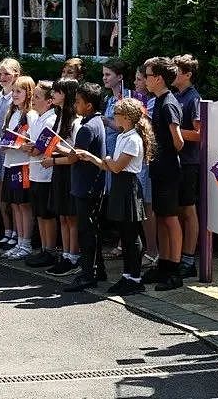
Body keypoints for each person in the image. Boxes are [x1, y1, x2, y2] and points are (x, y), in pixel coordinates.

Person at [75, 97, 155, 296]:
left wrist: (109, 160)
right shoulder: (122, 136)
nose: (114, 118)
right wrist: (93, 158)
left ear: (126, 117)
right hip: (119, 187)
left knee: (131, 235)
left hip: (128, 187)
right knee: (124, 234)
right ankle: (127, 275)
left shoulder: (134, 139)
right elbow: (108, 165)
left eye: (117, 114)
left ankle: (135, 278)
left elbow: (117, 167)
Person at [142, 56, 184, 291]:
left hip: (168, 169)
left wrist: (162, 150)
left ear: (158, 78)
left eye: (148, 75)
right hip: (158, 167)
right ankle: (165, 263)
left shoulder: (168, 103)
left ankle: (174, 269)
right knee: (160, 216)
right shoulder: (157, 101)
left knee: (170, 218)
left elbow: (178, 141)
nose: (145, 80)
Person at [62, 81, 107, 292]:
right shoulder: (98, 122)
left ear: (88, 105)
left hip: (85, 185)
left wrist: (57, 149)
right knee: (93, 228)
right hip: (94, 185)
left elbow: (75, 157)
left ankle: (89, 273)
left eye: (78, 102)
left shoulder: (87, 127)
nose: (75, 105)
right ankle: (99, 269)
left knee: (86, 230)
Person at [44, 78, 82, 276]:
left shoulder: (76, 120)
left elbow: (74, 154)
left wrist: (54, 151)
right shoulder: (59, 117)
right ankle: (66, 254)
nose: (53, 95)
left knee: (71, 216)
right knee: (63, 216)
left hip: (68, 170)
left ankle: (73, 257)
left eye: (58, 92)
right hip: (59, 169)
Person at [23, 81, 58, 268]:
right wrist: (27, 146)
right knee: (39, 213)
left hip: (46, 173)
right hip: (34, 171)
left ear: (49, 101)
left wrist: (32, 148)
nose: (33, 100)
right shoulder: (37, 117)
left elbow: (43, 147)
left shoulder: (51, 120)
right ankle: (44, 248)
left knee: (46, 214)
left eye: (37, 97)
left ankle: (50, 250)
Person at [173, 54, 202, 278]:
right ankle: (179, 255)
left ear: (187, 74)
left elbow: (200, 134)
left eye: (176, 70)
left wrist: (172, 131)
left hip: (189, 162)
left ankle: (189, 258)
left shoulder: (193, 99)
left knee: (189, 210)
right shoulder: (176, 96)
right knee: (179, 210)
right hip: (177, 161)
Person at [1, 76, 37, 259]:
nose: (14, 95)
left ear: (28, 93)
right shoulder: (12, 113)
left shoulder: (30, 115)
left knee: (24, 205)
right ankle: (19, 242)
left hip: (23, 164)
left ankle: (26, 243)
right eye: (13, 91)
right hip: (10, 162)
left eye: (18, 91)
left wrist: (22, 146)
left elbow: (33, 142)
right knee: (15, 204)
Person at [101, 58, 130, 261]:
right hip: (109, 153)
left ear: (119, 77)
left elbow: (124, 127)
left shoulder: (126, 99)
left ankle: (124, 243)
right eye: (103, 74)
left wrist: (106, 122)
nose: (104, 78)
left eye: (108, 75)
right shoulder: (109, 99)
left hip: (122, 155)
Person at [0, 58, 21, 250]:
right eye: (0, 74)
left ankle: (19, 232)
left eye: (7, 74)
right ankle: (7, 230)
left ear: (16, 75)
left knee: (13, 192)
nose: (2, 77)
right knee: (0, 190)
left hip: (10, 148)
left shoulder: (17, 97)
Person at [133, 64, 158, 264]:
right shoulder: (145, 101)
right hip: (141, 161)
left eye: (140, 79)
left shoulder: (153, 103)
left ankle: (152, 250)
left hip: (148, 162)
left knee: (148, 207)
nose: (137, 83)